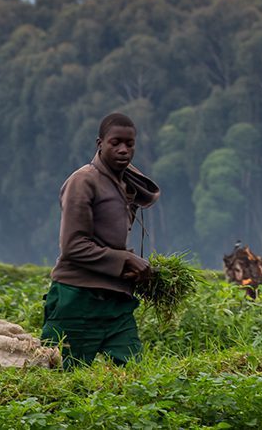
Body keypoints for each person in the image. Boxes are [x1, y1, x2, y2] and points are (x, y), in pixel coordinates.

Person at [40, 112, 160, 367]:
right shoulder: (83, 181)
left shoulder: (125, 184)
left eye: (129, 144)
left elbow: (112, 239)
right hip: (76, 300)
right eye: (115, 143)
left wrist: (131, 270)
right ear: (100, 144)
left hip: (115, 303)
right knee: (60, 380)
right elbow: (74, 246)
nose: (123, 150)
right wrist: (126, 258)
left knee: (135, 376)